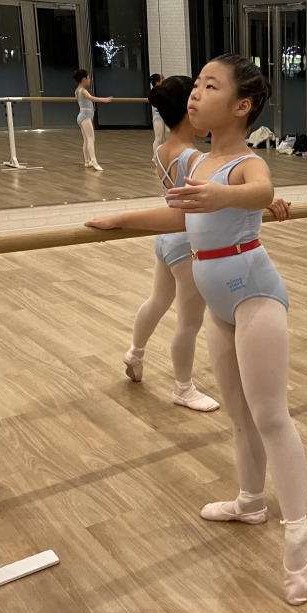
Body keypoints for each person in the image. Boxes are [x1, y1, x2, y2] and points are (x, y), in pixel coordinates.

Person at [86, 54, 307, 604]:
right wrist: (122, 219)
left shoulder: (245, 163)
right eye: (197, 85)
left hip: (255, 292)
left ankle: (299, 537)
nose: (195, 93)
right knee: (238, 416)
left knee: (270, 416)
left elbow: (260, 192)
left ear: (241, 106)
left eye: (210, 86)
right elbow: (181, 218)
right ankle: (250, 501)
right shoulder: (197, 163)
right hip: (219, 303)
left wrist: (225, 195)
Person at [122, 75, 220, 412]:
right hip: (187, 243)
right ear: (188, 111)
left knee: (158, 300)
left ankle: (135, 351)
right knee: (189, 322)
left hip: (164, 240)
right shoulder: (193, 158)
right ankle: (183, 388)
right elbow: (218, 196)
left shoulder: (161, 150)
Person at [74, 69, 113, 171]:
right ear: (84, 79)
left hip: (83, 116)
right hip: (85, 116)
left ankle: (87, 161)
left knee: (86, 139)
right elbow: (91, 98)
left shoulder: (77, 90)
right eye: (88, 77)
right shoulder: (83, 91)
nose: (89, 79)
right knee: (91, 138)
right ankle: (93, 161)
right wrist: (104, 100)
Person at [150, 73, 167, 160]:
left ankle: (164, 156)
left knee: (166, 137)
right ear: (158, 81)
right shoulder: (155, 91)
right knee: (159, 138)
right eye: (162, 79)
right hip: (159, 115)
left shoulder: (165, 89)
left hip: (166, 115)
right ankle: (155, 157)